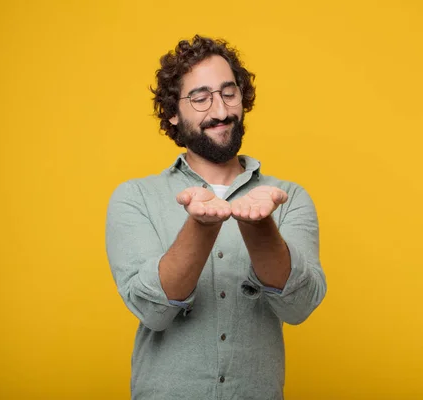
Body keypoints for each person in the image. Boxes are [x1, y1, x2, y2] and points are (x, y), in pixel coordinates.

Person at [105, 34, 327, 400]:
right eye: (201, 97)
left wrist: (260, 228)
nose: (221, 111)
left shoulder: (288, 199)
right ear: (173, 112)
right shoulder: (135, 198)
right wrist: (200, 226)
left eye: (229, 93)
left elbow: (299, 307)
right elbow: (153, 311)